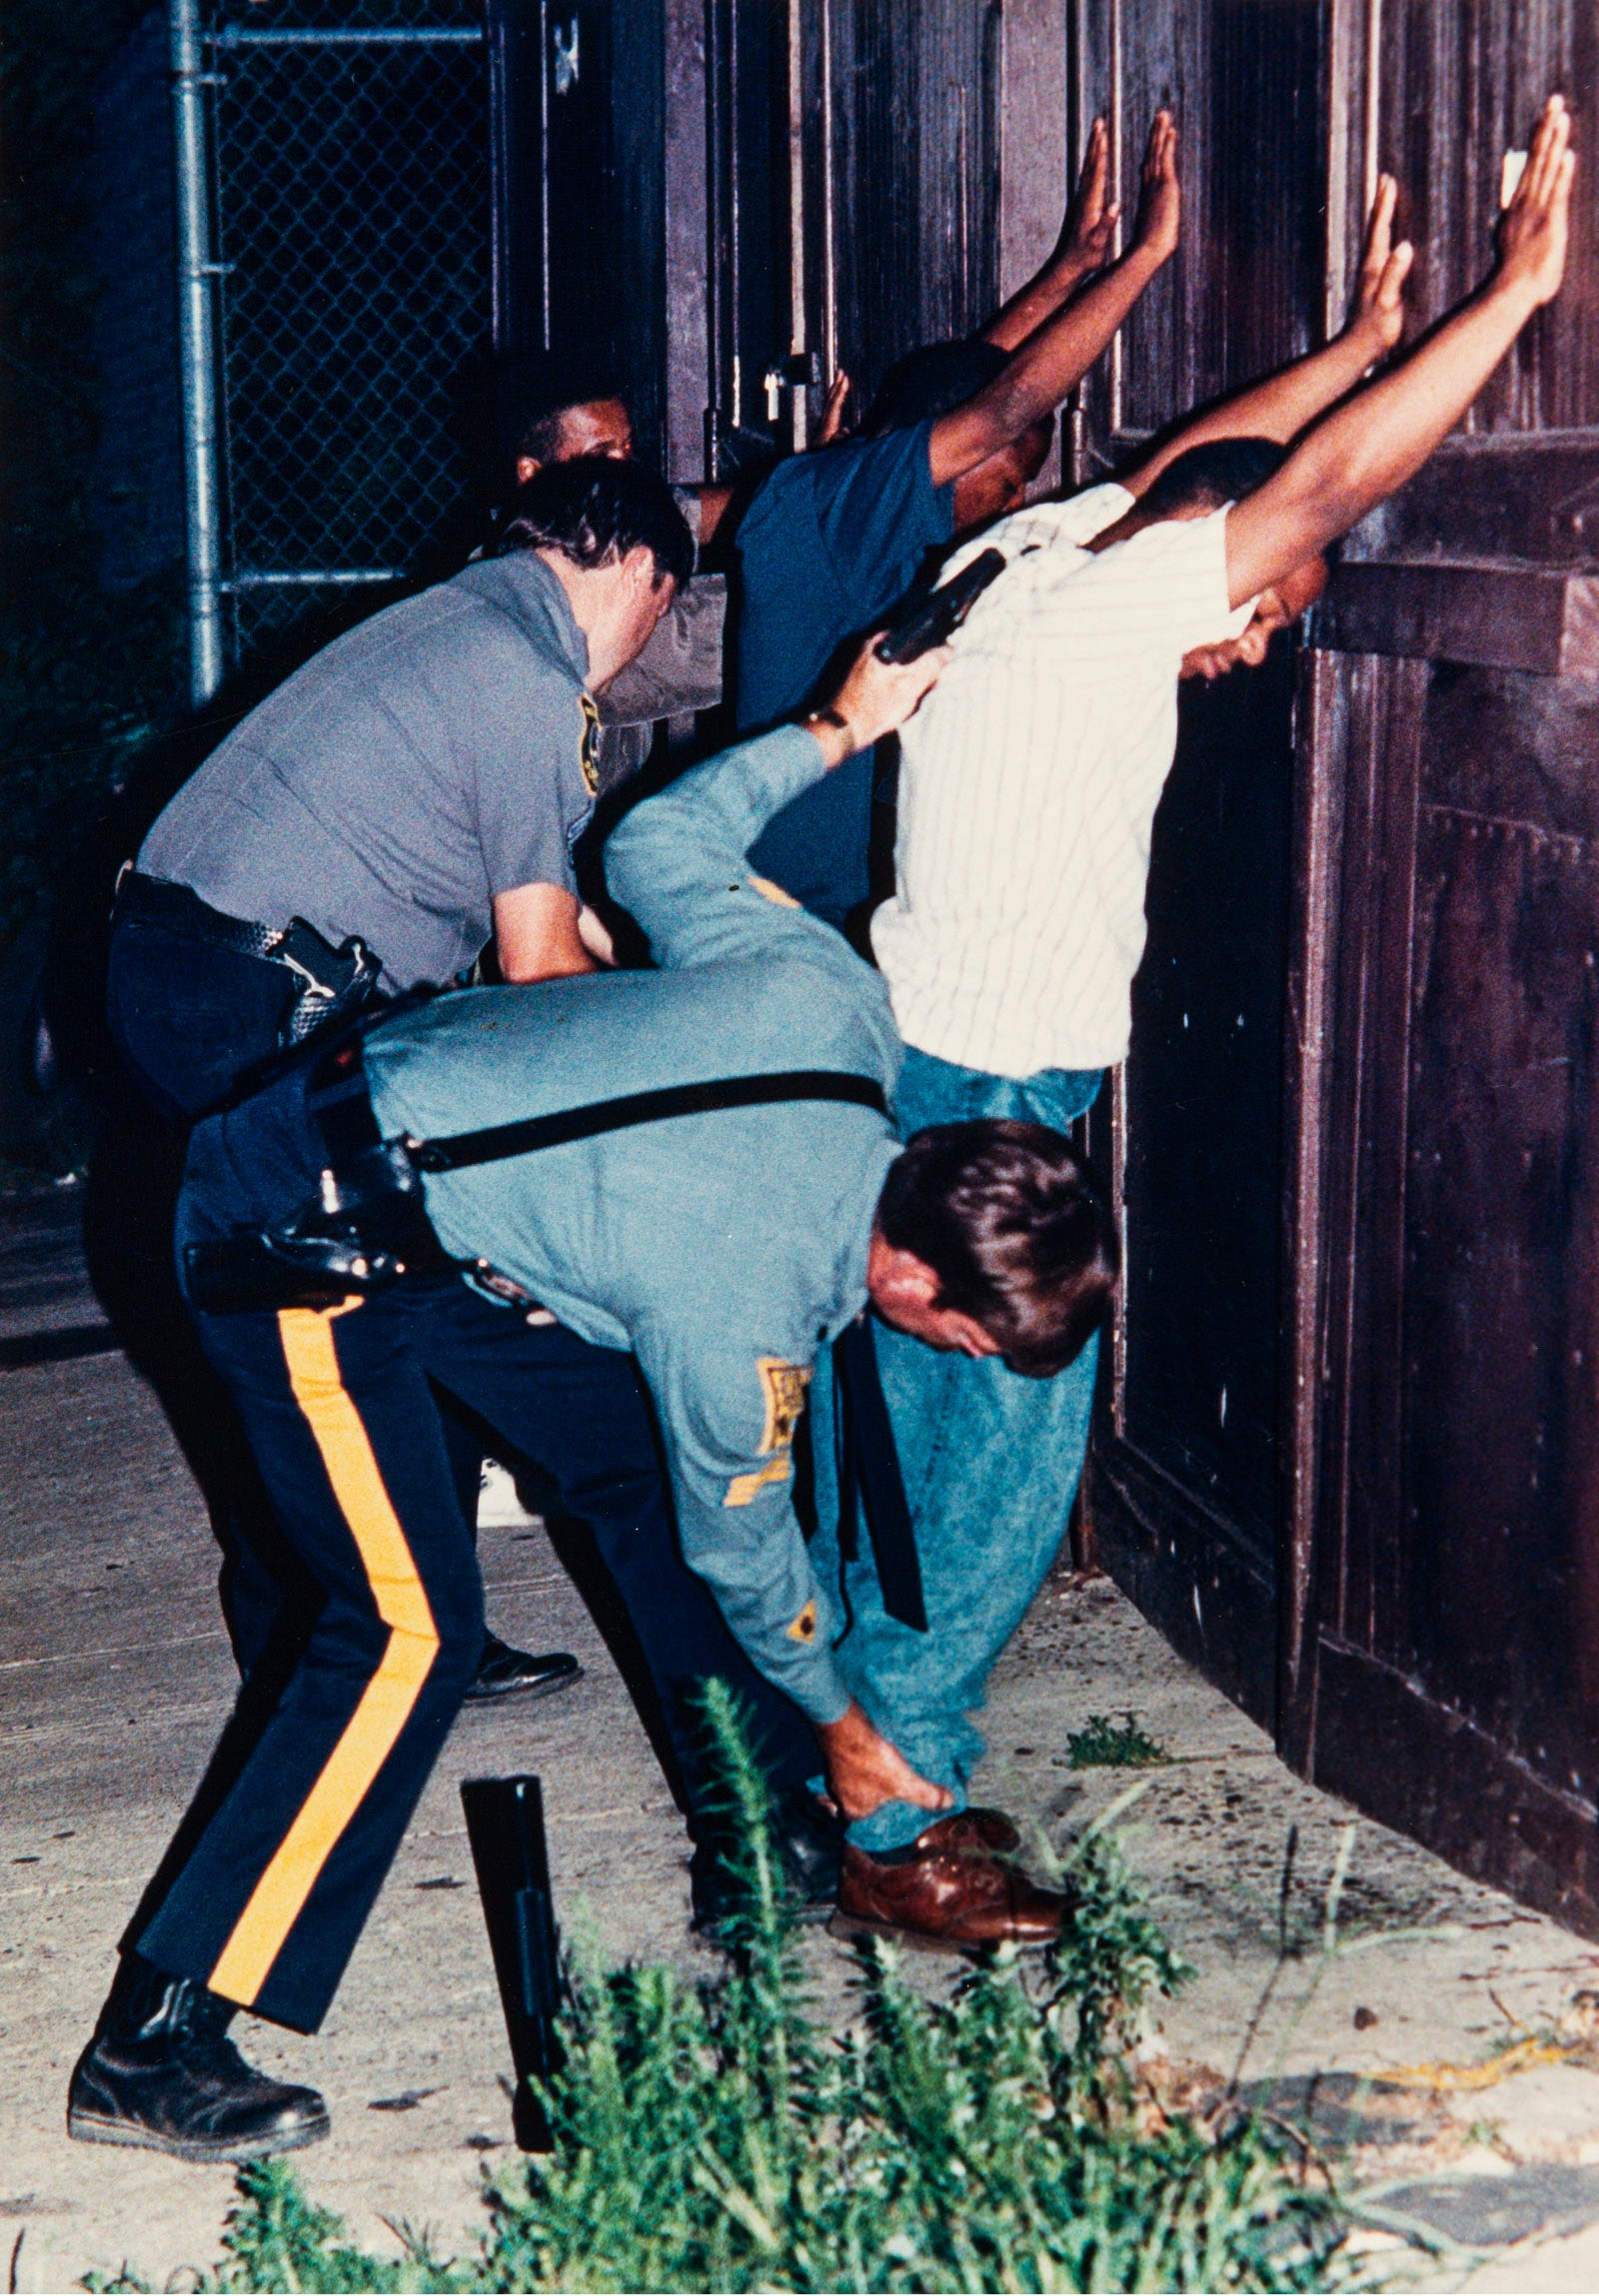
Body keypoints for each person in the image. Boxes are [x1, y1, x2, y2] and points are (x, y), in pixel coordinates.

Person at [66, 630, 1119, 2165]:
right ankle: (155, 2034)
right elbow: (751, 1554)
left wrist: (839, 727)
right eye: (970, 1339)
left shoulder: (839, 1013)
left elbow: (660, 838)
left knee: (630, 1464)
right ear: (909, 1281)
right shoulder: (741, 1306)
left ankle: (751, 1847)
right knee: (404, 1630)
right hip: (285, 1227)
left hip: (431, 1193)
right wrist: (844, 1723)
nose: (962, 1361)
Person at [815, 105, 1576, 1874]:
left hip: (917, 1058)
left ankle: (861, 1745)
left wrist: (1354, 344)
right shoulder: (1109, 612)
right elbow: (1306, 490)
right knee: (1001, 1455)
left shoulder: (1026, 561)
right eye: (1269, 607)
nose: (1251, 642)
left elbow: (1203, 462)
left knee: (911, 1432)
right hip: (991, 1086)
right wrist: (1509, 298)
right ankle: (898, 1805)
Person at [107, 459, 690, 1706]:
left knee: (339, 1303)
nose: (644, 650)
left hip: (186, 973)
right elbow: (537, 975)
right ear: (639, 569)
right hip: (253, 1002)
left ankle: (348, 1618)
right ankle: (373, 1630)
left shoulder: (461, 621)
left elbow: (558, 916)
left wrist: (655, 986)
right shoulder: (523, 679)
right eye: (659, 616)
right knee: (369, 1292)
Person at [736, 112, 1176, 926]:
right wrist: (1143, 260)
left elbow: (963, 403)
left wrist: (1066, 273)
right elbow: (1001, 410)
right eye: (1008, 485)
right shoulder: (846, 506)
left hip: (789, 873)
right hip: (784, 901)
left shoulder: (837, 489)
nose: (1012, 505)